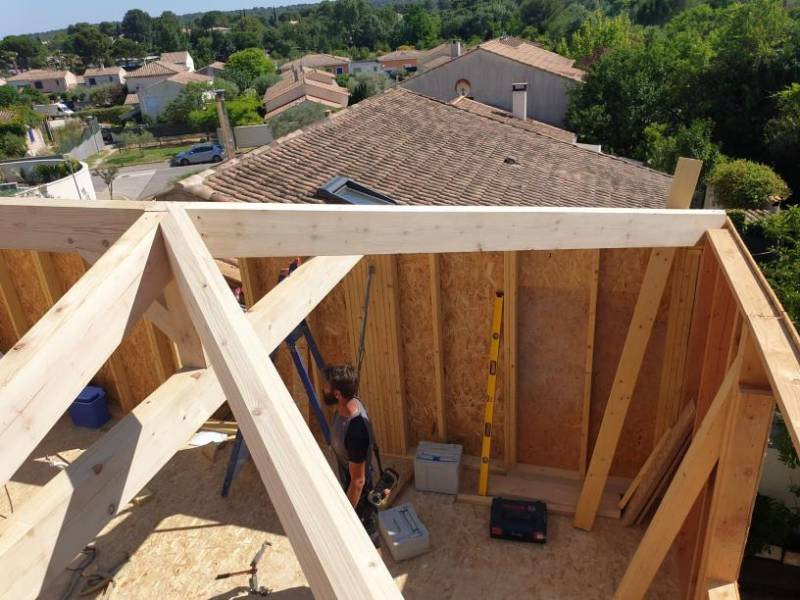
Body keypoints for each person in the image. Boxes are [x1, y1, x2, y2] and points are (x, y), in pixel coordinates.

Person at [322, 364, 380, 548]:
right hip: (348, 481)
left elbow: (358, 482)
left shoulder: (356, 430)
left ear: (337, 394)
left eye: (326, 385)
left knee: (369, 541)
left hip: (360, 498)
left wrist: (347, 516)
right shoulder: (347, 405)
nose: (323, 388)